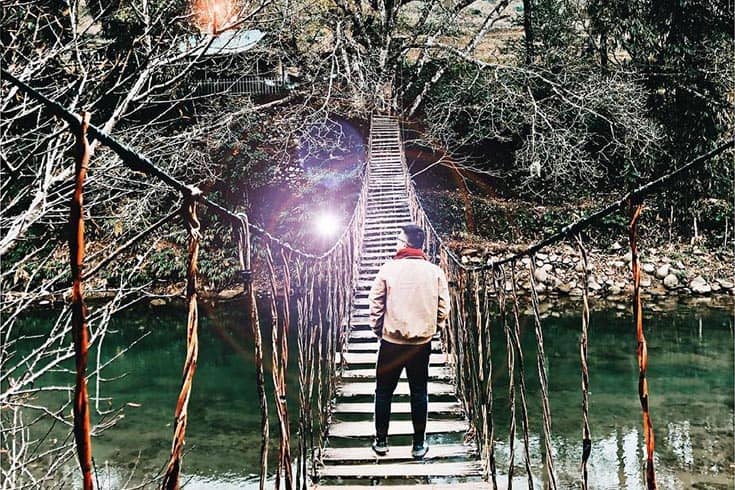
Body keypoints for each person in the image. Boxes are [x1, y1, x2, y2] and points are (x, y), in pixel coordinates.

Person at [367, 224, 450, 459]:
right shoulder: (435, 271)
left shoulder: (388, 269)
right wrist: (431, 329)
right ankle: (418, 445)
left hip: (391, 342)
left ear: (404, 243)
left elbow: (375, 304)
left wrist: (378, 330)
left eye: (398, 239)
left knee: (383, 391)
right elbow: (444, 308)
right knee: (419, 392)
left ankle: (381, 442)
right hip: (420, 345)